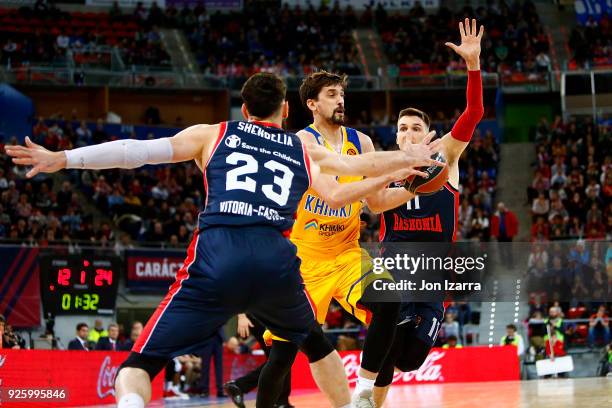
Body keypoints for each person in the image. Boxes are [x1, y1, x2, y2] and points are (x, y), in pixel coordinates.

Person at [6, 72, 441, 408]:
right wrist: (407, 157)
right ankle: (349, 402)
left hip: (218, 257)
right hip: (278, 262)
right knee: (315, 343)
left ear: (244, 107)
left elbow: (133, 153)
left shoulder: (212, 133)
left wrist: (62, 157)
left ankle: (133, 398)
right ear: (286, 108)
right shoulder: (298, 148)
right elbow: (343, 184)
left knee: (139, 366)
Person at [369, 19, 485, 406]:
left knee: (410, 361)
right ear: (396, 134)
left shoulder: (445, 156)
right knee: (387, 348)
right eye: (402, 128)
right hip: (395, 267)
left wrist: (473, 66)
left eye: (416, 127)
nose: (408, 133)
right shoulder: (381, 165)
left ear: (427, 133)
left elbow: (473, 112)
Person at [224, 314, 293, 408]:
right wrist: (242, 317)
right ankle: (281, 402)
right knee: (282, 356)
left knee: (282, 357)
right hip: (260, 315)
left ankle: (281, 402)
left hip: (269, 314)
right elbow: (240, 298)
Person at [198, 327, 225, 398]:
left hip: (218, 337)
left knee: (219, 366)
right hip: (206, 338)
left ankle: (220, 390)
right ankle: (204, 390)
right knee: (205, 365)